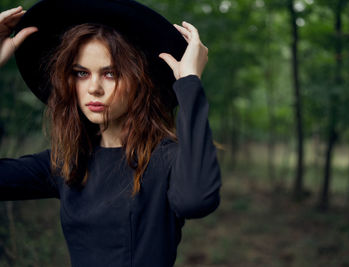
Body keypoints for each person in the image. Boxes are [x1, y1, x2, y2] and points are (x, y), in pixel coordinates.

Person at [0, 0, 221, 266]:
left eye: (110, 73)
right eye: (81, 73)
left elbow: (196, 201)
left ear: (139, 80)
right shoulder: (67, 163)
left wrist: (188, 84)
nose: (94, 88)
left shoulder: (166, 159)